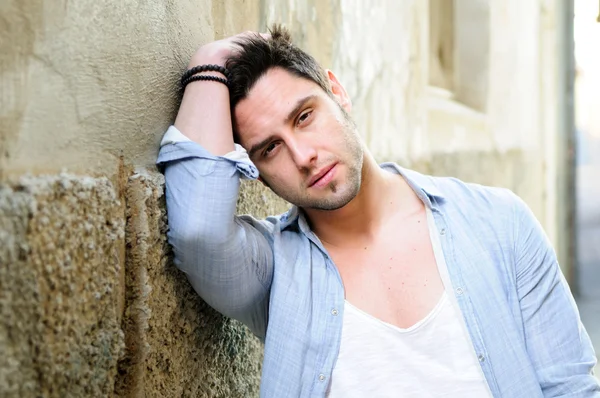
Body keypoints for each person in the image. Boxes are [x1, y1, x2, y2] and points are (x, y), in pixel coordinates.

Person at [157, 26, 599, 397]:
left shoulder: (498, 223)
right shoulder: (274, 273)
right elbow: (198, 232)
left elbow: (571, 386)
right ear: (255, 171)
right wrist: (210, 60)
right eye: (271, 148)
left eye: (304, 116)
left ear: (338, 92)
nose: (303, 155)